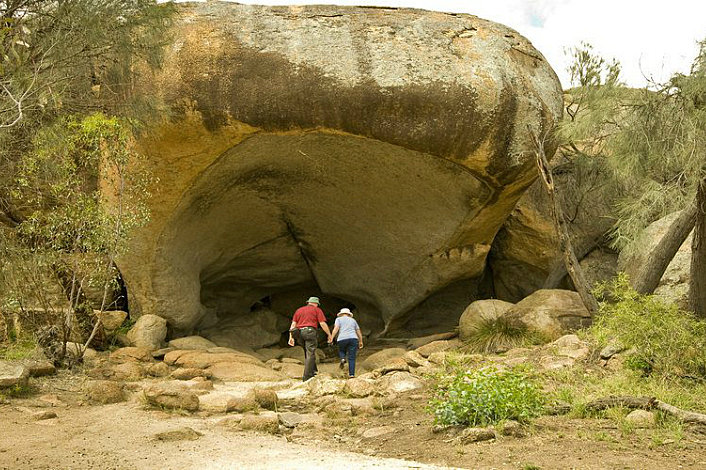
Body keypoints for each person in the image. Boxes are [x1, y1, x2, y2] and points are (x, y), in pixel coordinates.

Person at [288, 296, 332, 381]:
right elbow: (322, 323)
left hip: (299, 333)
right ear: (316, 304)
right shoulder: (317, 310)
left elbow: (293, 325)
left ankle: (313, 371)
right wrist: (329, 334)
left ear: (308, 302)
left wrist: (291, 337)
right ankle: (307, 377)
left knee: (307, 352)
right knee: (310, 353)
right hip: (309, 332)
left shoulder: (299, 310)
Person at [329, 307, 363, 378]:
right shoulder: (353, 320)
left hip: (342, 338)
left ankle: (342, 358)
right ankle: (352, 374)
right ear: (349, 314)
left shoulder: (338, 319)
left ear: (341, 314)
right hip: (353, 338)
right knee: (352, 358)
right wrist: (360, 341)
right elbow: (358, 331)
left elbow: (336, 329)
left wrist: (331, 338)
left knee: (341, 350)